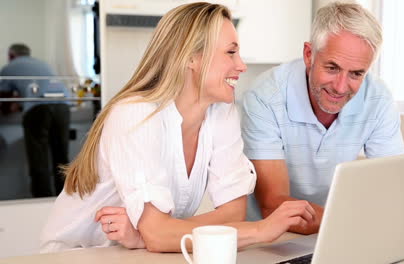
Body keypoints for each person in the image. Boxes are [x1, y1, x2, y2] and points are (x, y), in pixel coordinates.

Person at [40, 2, 315, 253]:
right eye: (230, 52)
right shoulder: (137, 113)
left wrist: (151, 234)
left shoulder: (221, 112)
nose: (241, 65)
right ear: (191, 58)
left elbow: (233, 214)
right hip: (77, 254)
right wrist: (261, 229)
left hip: (139, 253)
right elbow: (162, 234)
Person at [241, 2, 404, 251]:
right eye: (332, 68)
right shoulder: (265, 96)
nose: (341, 87)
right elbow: (275, 204)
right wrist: (370, 222)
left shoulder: (377, 98)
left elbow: (395, 191)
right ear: (309, 55)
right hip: (267, 243)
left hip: (335, 237)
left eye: (356, 74)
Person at [0, 43, 70, 197]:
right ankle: (66, 199)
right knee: (62, 159)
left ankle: (41, 200)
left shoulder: (9, 67)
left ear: (11, 55)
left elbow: (4, 103)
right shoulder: (42, 64)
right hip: (63, 107)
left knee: (39, 160)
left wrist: (15, 104)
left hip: (38, 109)